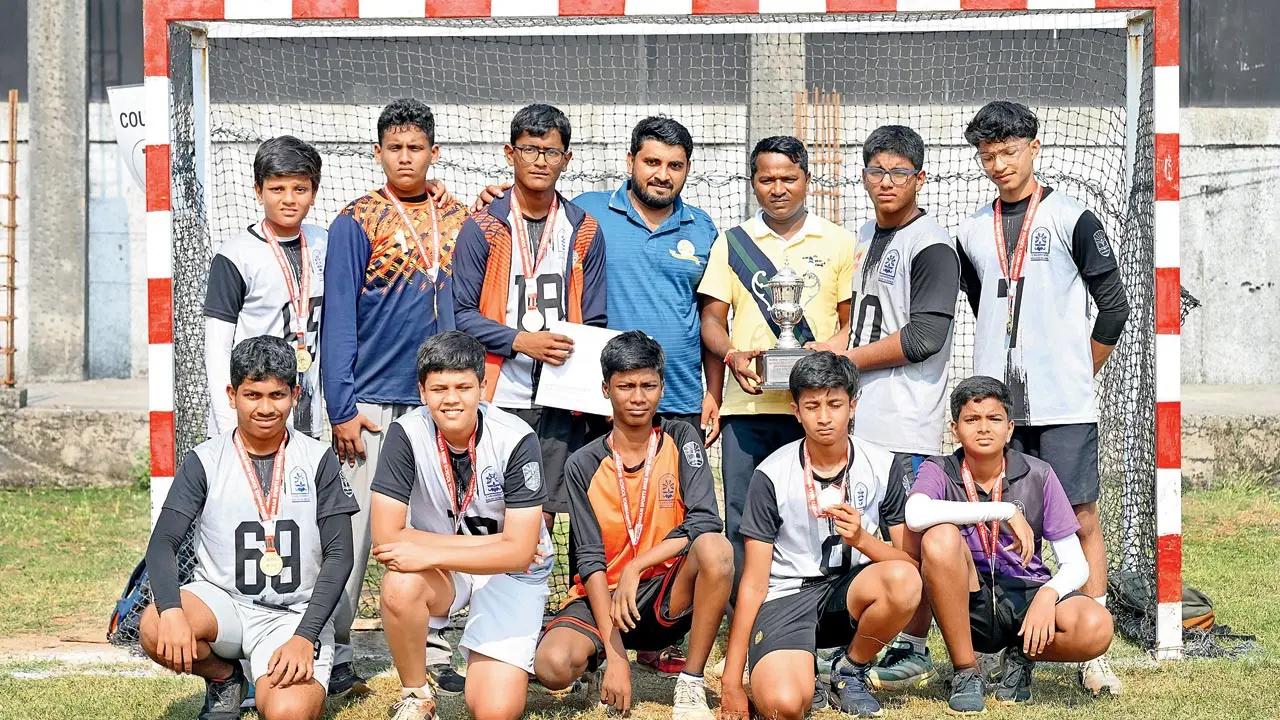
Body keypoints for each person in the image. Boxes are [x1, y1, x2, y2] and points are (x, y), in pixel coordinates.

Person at [955, 100, 1130, 695]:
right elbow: (986, 307)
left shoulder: (1074, 216)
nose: (999, 164)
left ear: (1034, 146)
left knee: (1079, 517)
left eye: (1008, 151)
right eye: (988, 155)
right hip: (996, 411)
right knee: (1002, 516)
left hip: (1063, 406)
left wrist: (1077, 371)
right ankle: (1010, 641)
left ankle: (1091, 646)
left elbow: (1117, 306)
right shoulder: (971, 229)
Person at [321, 98, 470, 695]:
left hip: (441, 401)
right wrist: (342, 406)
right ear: (378, 153)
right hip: (374, 406)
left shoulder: (461, 218)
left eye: (416, 148)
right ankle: (330, 651)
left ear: (435, 152)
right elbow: (337, 323)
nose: (405, 158)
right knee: (355, 533)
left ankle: (433, 648)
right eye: (394, 148)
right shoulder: (355, 221)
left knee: (434, 528)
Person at [807, 125, 960, 688]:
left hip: (908, 419)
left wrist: (844, 357)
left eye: (899, 172)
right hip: (865, 419)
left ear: (920, 178)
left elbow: (924, 338)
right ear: (863, 175)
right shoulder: (867, 234)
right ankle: (866, 635)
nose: (886, 181)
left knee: (909, 534)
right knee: (864, 529)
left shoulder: (933, 245)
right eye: (876, 170)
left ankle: (916, 644)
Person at [140, 336, 359, 720]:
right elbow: (162, 544)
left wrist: (304, 637)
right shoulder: (205, 460)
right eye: (252, 395)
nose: (265, 407)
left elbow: (341, 555)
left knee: (287, 713)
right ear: (232, 394)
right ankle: (225, 678)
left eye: (277, 395)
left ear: (294, 394)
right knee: (156, 624)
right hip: (224, 602)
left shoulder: (318, 458)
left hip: (294, 613)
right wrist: (172, 609)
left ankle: (283, 670)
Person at [534, 331, 733, 720]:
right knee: (552, 667)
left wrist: (637, 566)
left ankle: (690, 684)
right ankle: (597, 664)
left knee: (716, 549)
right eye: (626, 386)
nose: (638, 397)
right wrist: (616, 655)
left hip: (665, 594)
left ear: (662, 387)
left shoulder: (681, 437)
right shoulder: (583, 463)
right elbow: (588, 559)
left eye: (648, 385)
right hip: (605, 598)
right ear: (606, 389)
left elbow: (706, 518)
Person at [719, 351, 921, 720]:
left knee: (903, 580)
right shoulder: (772, 474)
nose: (824, 417)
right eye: (812, 406)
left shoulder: (882, 464)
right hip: (787, 597)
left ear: (853, 406)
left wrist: (862, 539)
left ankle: (850, 669)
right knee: (784, 706)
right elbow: (753, 582)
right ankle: (799, 666)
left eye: (835, 404)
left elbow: (909, 562)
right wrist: (732, 680)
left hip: (849, 594)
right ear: (796, 411)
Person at [370, 330, 554, 720]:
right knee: (399, 582)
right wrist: (499, 545)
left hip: (512, 575)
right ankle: (416, 695)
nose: (451, 398)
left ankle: (519, 657)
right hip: (456, 569)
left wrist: (430, 546)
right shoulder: (405, 434)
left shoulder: (517, 437)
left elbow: (521, 553)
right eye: (439, 387)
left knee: (494, 711)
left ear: (483, 387)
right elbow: (387, 540)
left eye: (463, 386)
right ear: (422, 391)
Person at [904, 375, 1114, 714]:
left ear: (1010, 428)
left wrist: (1048, 595)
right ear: (955, 429)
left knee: (1096, 626)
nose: (983, 428)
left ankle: (1020, 656)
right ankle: (966, 671)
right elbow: (915, 514)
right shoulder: (938, 469)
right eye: (972, 420)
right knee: (939, 536)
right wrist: (1002, 510)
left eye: (994, 419)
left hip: (1025, 596)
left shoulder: (1039, 473)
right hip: (967, 599)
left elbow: (1076, 564)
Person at [698, 136, 855, 585]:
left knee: (817, 511)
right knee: (745, 514)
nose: (778, 187)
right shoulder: (732, 243)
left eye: (789, 178)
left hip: (815, 408)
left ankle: (819, 609)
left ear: (807, 180)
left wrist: (825, 352)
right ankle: (748, 614)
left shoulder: (838, 241)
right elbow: (711, 318)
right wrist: (732, 355)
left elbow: (850, 325)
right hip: (745, 407)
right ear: (753, 184)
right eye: (767, 179)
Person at [452, 103, 607, 527]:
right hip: (497, 395)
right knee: (487, 512)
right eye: (530, 149)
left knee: (541, 520)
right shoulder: (481, 227)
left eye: (551, 152)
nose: (540, 161)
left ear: (567, 159)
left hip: (561, 398)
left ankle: (534, 594)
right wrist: (521, 341)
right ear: (510, 153)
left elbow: (594, 321)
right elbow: (461, 314)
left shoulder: (585, 229)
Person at [204, 135, 327, 440]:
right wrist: (228, 429)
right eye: (276, 189)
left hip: (306, 413)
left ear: (314, 193)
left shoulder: (325, 242)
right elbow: (217, 351)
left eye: (300, 189)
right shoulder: (235, 256)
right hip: (251, 419)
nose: (289, 199)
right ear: (258, 191)